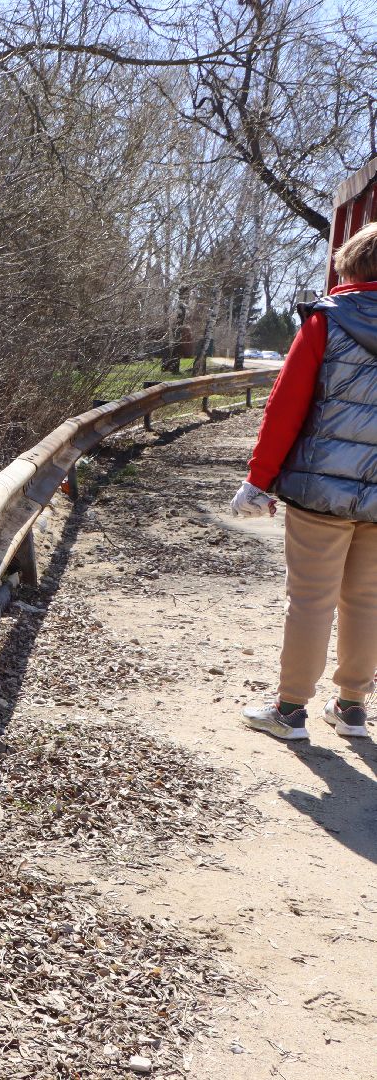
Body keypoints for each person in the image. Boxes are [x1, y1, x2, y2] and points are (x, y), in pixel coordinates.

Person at [233, 220, 377, 742]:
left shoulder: (325, 321)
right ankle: (353, 709)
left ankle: (291, 711)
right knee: (366, 600)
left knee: (311, 600)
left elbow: (286, 406)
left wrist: (259, 480)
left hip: (321, 490)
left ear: (352, 264)